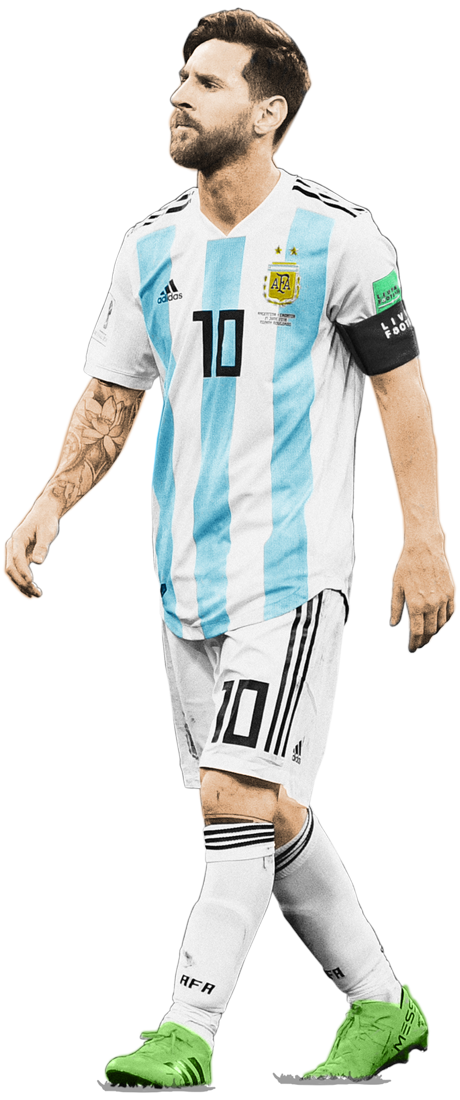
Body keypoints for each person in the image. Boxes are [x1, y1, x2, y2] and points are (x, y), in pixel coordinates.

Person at [6, 8, 454, 1087]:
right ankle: (381, 1004)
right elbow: (113, 397)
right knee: (263, 808)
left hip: (288, 579)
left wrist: (425, 540)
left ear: (267, 114)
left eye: (206, 83)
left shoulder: (338, 237)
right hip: (184, 584)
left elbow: (400, 392)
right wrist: (52, 499)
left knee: (237, 801)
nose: (178, 95)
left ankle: (188, 1031)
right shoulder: (150, 247)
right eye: (180, 78)